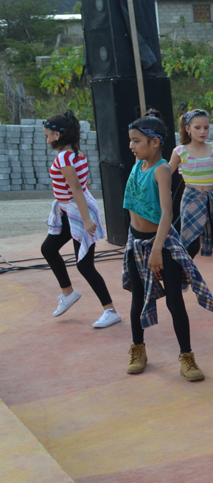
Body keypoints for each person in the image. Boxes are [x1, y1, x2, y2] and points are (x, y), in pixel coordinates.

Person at [122, 111, 213, 381]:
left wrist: (156, 250)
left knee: (174, 300)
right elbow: (133, 206)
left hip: (160, 244)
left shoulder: (162, 169)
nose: (131, 145)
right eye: (131, 140)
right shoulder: (136, 165)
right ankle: (138, 348)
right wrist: (135, 244)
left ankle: (186, 356)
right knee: (137, 297)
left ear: (154, 142)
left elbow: (166, 213)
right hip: (136, 242)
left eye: (136, 140)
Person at [40, 111, 120, 328]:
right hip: (71, 210)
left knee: (85, 266)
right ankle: (68, 292)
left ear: (57, 134)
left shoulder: (64, 157)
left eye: (48, 135)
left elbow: (76, 188)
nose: (47, 140)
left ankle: (111, 310)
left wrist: (85, 220)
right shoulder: (75, 152)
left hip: (77, 212)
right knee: (48, 249)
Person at [169, 109, 213, 302]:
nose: (203, 131)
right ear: (188, 129)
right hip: (191, 199)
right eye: (198, 127)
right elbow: (166, 172)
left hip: (211, 198)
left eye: (206, 127)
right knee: (190, 243)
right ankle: (182, 276)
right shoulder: (180, 151)